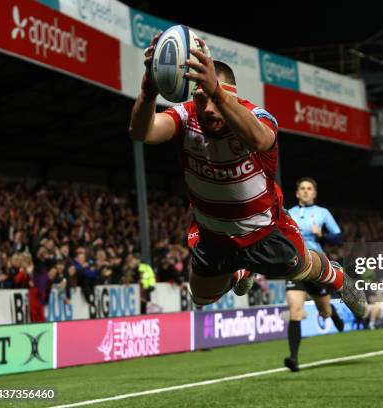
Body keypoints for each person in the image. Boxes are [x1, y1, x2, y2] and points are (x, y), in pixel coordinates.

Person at [128, 35, 367, 320]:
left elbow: (259, 139)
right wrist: (147, 91)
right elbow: (143, 132)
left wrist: (216, 92)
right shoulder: (186, 115)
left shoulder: (258, 116)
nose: (208, 109)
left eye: (215, 99)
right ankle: (241, 268)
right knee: (201, 296)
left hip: (262, 231)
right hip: (212, 234)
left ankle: (338, 278)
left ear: (229, 94)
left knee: (302, 267)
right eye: (201, 99)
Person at [284, 177, 345, 372]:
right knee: (295, 310)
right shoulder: (288, 213)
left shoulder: (322, 213)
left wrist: (322, 236)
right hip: (295, 267)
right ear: (297, 193)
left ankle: (331, 312)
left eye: (309, 188)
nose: (305, 191)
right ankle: (293, 359)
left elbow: (339, 238)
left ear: (315, 193)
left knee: (324, 311)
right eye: (302, 188)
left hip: (316, 268)